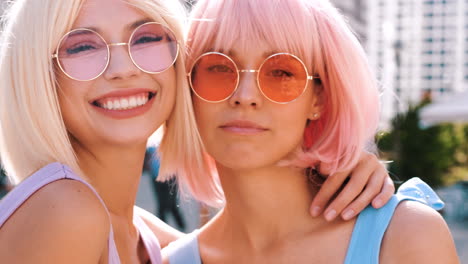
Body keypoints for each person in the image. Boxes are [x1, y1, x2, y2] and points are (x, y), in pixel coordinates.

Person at [0, 0, 395, 263]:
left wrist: (341, 160)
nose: (122, 68)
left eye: (148, 38)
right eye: (83, 47)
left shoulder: (152, 241)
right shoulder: (66, 212)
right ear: (39, 75)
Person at [163, 0, 460, 263]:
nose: (245, 94)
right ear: (188, 87)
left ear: (318, 99)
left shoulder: (404, 237)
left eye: (280, 72)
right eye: (219, 68)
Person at [144, 146, 186, 230]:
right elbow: (146, 156)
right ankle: (162, 230)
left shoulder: (168, 139)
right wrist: (148, 166)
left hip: (171, 176)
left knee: (172, 204)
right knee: (161, 205)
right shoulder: (150, 143)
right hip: (156, 176)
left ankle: (182, 228)